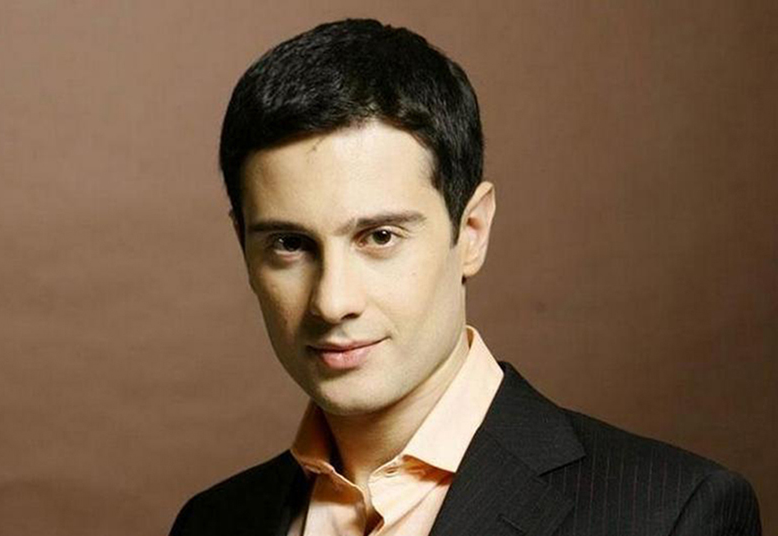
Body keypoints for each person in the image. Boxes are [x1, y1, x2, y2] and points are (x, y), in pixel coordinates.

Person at [169, 18, 761, 536]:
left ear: (472, 231)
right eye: (290, 244)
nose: (332, 301)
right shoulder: (211, 522)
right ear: (244, 249)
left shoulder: (672, 515)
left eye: (380, 237)